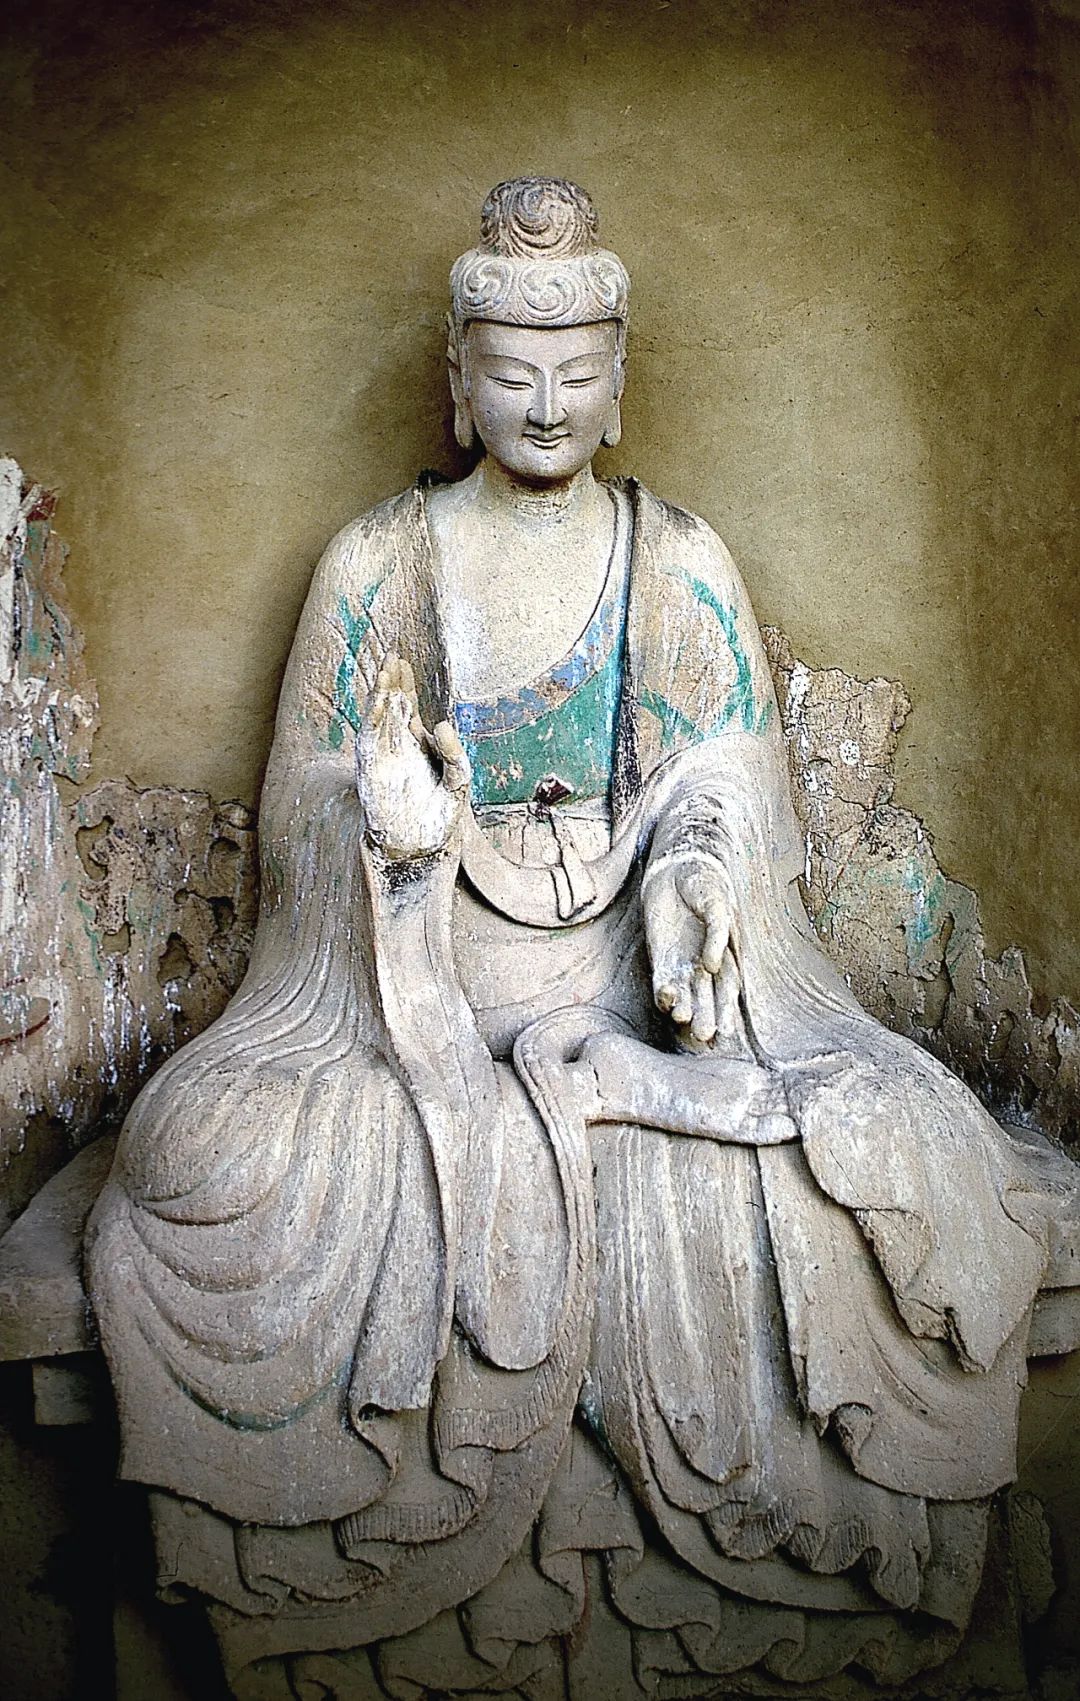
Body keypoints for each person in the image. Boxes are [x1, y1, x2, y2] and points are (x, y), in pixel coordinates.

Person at [87, 178, 1075, 1699]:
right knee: (194, 1157)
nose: (544, 403)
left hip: (632, 979)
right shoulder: (377, 565)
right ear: (457, 381)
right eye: (510, 371)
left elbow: (732, 784)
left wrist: (699, 877)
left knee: (911, 1128)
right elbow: (298, 817)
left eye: (576, 372)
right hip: (415, 990)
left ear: (619, 385)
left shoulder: (678, 560)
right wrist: (389, 825)